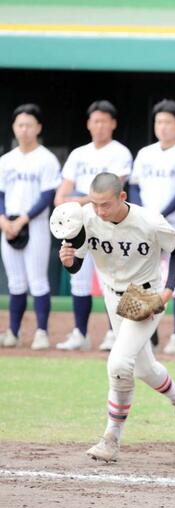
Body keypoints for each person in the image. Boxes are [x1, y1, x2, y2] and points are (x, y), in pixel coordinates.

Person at [57, 173, 175, 462]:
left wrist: (166, 293)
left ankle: (111, 439)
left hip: (143, 296)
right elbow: (76, 263)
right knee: (143, 369)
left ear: (122, 197)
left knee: (119, 363)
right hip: (112, 295)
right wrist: (70, 262)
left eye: (105, 204)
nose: (98, 210)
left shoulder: (149, 220)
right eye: (94, 203)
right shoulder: (86, 217)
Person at [54, 100, 133, 352]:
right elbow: (59, 196)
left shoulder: (120, 152)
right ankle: (80, 332)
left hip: (110, 222)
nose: (99, 126)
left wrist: (77, 198)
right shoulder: (79, 154)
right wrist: (79, 200)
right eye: (94, 121)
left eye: (104, 121)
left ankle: (113, 333)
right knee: (80, 281)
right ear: (88, 124)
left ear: (113, 124)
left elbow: (112, 192)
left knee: (113, 279)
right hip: (80, 223)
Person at [128, 99, 175, 354]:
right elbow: (134, 185)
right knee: (143, 278)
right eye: (159, 122)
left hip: (174, 223)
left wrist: (157, 215)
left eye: (168, 122)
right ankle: (148, 335)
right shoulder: (146, 153)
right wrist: (142, 214)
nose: (163, 127)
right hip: (144, 226)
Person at [0, 103, 60, 350]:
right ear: (14, 127)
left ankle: (42, 332)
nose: (24, 130)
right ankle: (13, 332)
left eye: (29, 125)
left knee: (38, 281)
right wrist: (3, 220)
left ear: (38, 128)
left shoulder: (46, 159)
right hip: (8, 225)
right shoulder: (6, 160)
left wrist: (22, 219)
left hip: (34, 225)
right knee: (15, 282)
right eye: (20, 125)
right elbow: (1, 194)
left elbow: (47, 196)